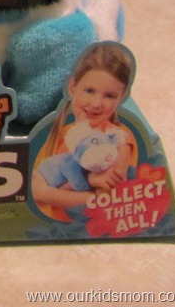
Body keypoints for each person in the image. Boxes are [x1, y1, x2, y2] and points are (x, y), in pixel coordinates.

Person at [31, 41, 137, 219]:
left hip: (79, 227)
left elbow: (106, 200)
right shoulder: (62, 132)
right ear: (73, 87)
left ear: (121, 98)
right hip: (47, 222)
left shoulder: (118, 140)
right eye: (89, 91)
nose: (96, 103)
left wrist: (45, 194)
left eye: (109, 96)